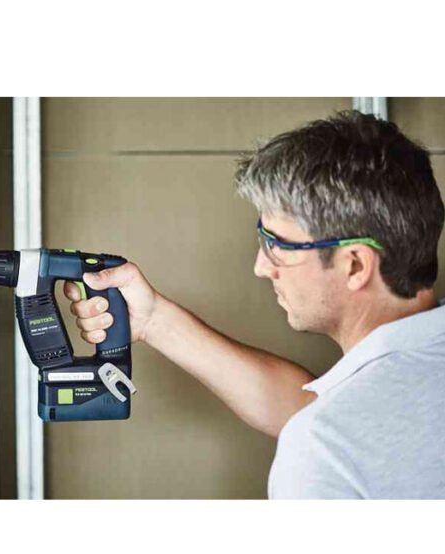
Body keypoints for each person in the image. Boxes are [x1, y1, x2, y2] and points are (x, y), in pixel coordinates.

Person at [63, 111, 445, 499]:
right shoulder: (372, 408)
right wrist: (153, 320)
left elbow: (331, 430)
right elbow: (317, 410)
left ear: (356, 265)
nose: (261, 267)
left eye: (279, 245)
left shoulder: (324, 446)